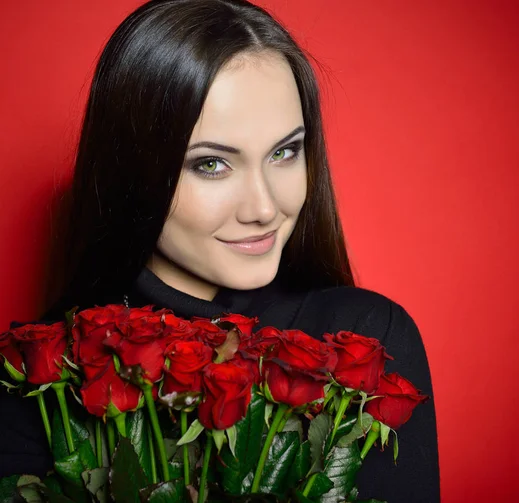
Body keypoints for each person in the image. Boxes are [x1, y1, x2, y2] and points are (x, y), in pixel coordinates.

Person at [0, 0, 440, 500]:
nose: (265, 206)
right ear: (132, 168)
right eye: (211, 164)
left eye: (284, 152)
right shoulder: (37, 376)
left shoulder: (364, 341)